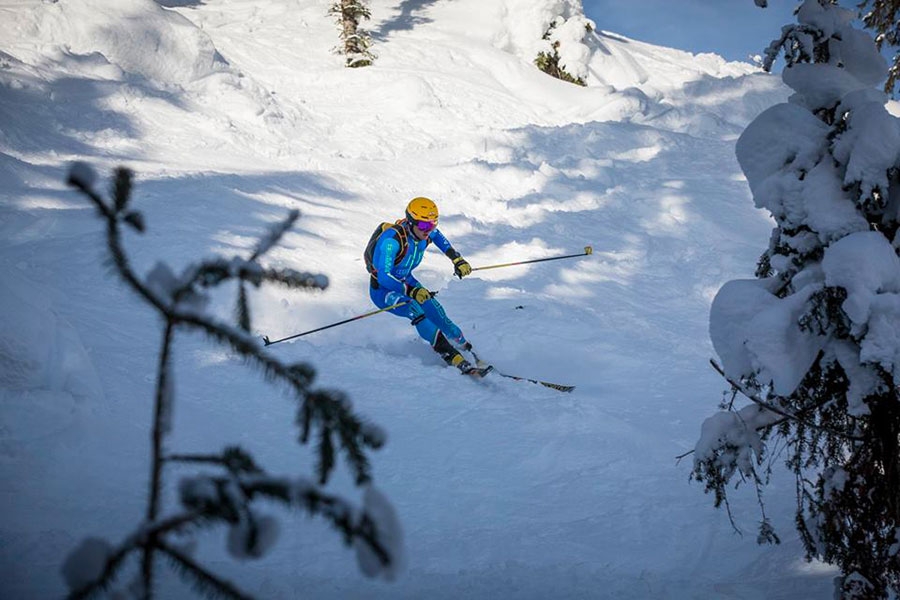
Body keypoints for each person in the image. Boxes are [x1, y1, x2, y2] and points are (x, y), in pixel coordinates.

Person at [365, 197, 484, 375]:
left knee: (436, 312)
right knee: (415, 309)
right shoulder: (392, 240)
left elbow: (440, 239)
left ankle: (467, 349)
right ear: (411, 222)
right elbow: (384, 276)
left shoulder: (424, 233)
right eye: (424, 226)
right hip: (384, 290)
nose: (429, 230)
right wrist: (412, 291)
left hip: (407, 281)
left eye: (433, 223)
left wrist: (457, 259)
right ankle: (452, 356)